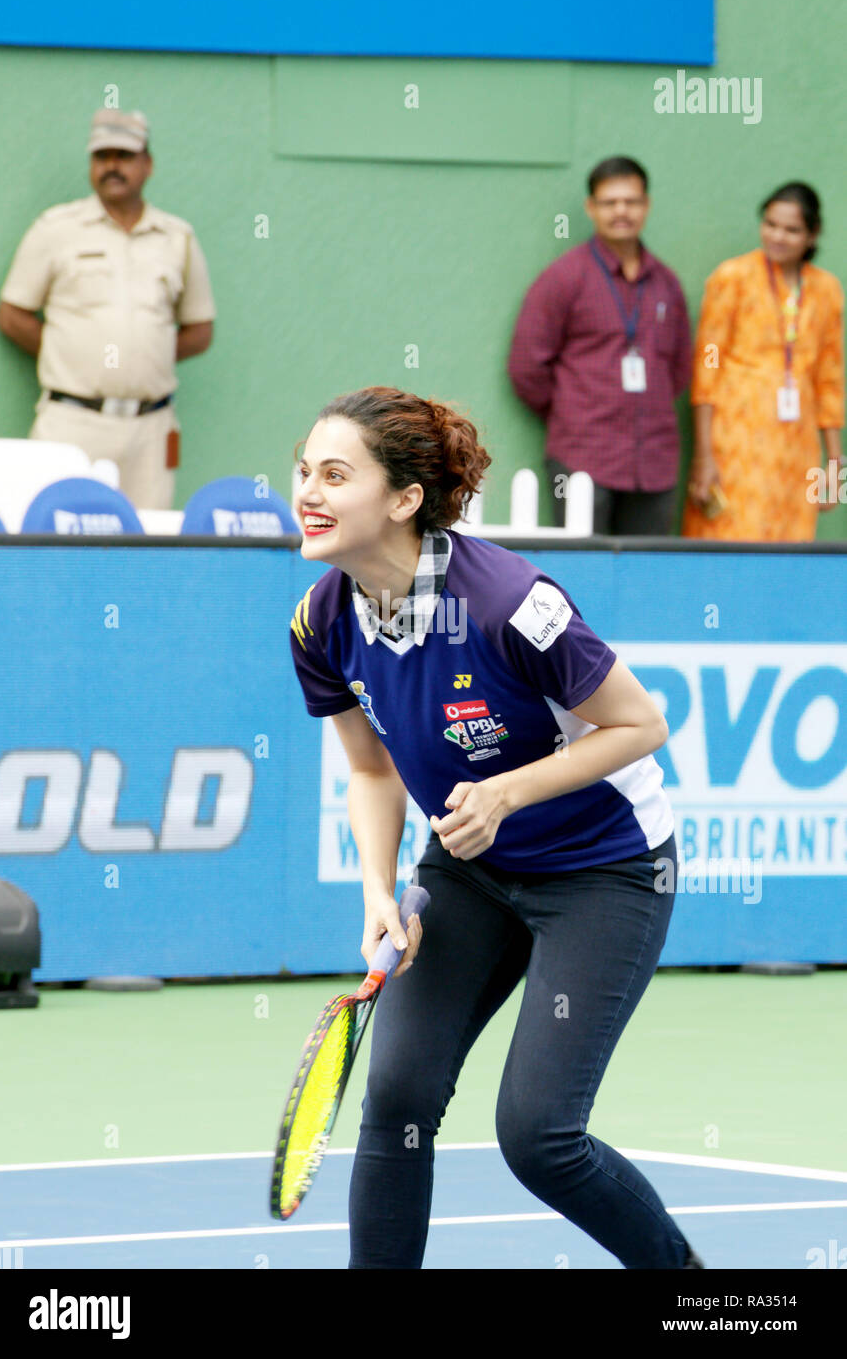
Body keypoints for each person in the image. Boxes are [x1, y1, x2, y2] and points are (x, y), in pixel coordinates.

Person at [288, 385, 704, 1270]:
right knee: (396, 1097)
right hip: (469, 870)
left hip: (607, 870)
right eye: (303, 472)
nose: (308, 494)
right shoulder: (320, 620)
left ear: (403, 500)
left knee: (539, 1136)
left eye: (334, 474)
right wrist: (377, 890)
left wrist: (509, 793)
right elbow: (369, 767)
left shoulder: (510, 601)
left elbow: (641, 725)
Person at [0, 109, 215, 510]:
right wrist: (71, 353)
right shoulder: (56, 228)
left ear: (147, 164)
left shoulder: (176, 238)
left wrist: (146, 357)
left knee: (145, 546)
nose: (112, 166)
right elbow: (12, 315)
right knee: (55, 535)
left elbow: (199, 329)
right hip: (71, 421)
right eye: (102, 156)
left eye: (124, 155)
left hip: (151, 429)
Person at [508, 157, 692, 535]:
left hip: (654, 464)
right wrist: (574, 411)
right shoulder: (564, 278)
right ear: (591, 208)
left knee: (646, 578)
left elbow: (679, 369)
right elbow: (527, 366)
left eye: (631, 201)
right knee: (586, 577)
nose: (621, 211)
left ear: (647, 205)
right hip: (583, 456)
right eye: (609, 202)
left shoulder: (666, 283)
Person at [683, 182, 844, 540]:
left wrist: (835, 464)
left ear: (812, 234)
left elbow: (829, 378)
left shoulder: (826, 290)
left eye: (791, 230)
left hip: (796, 448)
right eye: (771, 224)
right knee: (733, 538)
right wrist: (704, 456)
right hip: (736, 440)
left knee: (791, 546)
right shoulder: (733, 277)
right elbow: (707, 367)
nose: (778, 236)